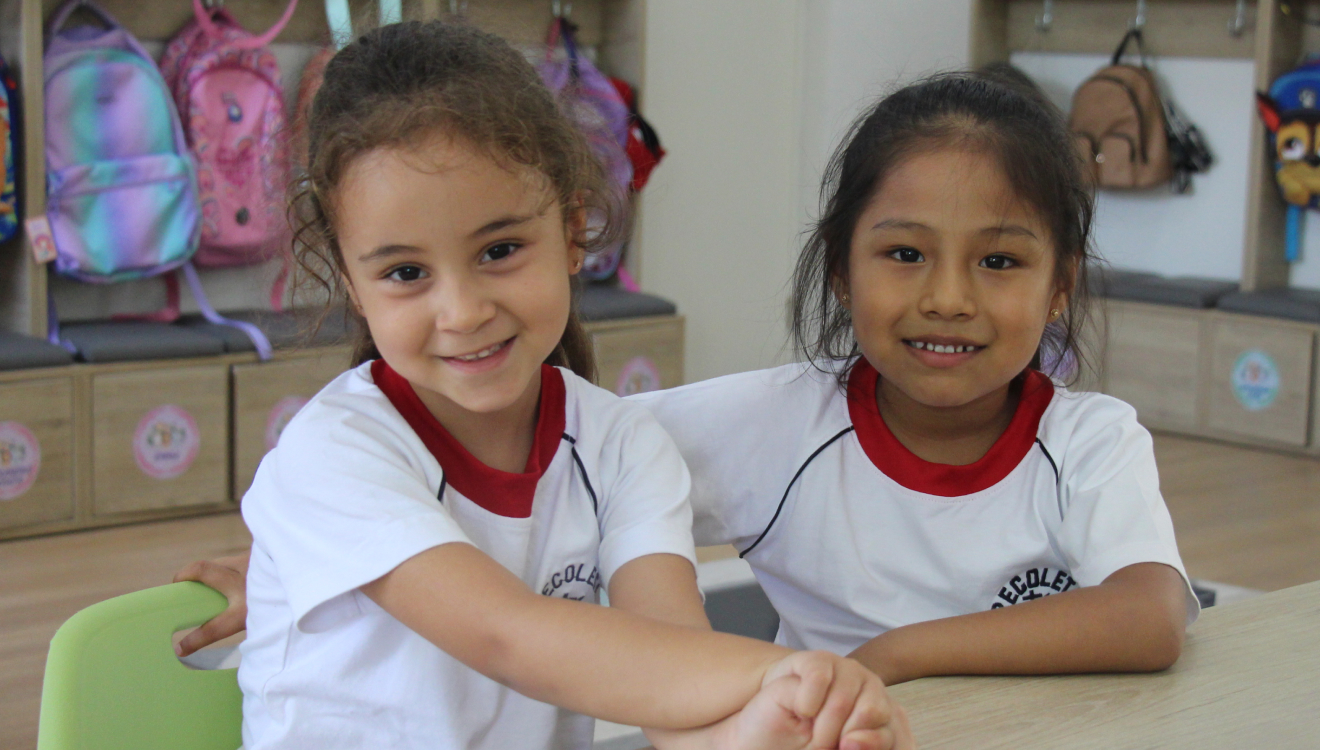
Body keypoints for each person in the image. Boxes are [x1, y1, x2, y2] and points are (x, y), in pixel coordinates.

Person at [182, 68, 1195, 696]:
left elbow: (1152, 616)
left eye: (1000, 262)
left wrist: (890, 658)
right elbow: (504, 543)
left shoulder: (1093, 439)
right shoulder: (762, 426)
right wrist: (295, 552)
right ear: (841, 268)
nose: (949, 300)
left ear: (1061, 287)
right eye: (904, 255)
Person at [220, 20, 908, 750]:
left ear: (573, 231)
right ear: (352, 283)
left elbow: (672, 681)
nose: (462, 311)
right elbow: (508, 635)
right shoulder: (332, 453)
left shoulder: (621, 446)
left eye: (500, 249)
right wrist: (784, 673)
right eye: (404, 273)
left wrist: (780, 722)